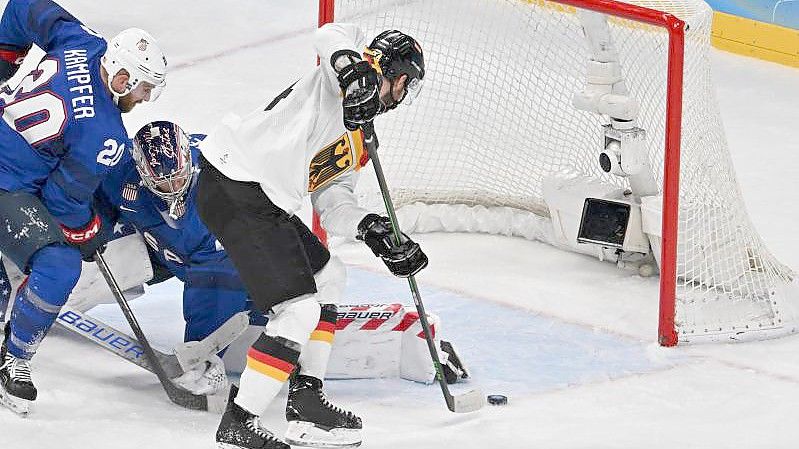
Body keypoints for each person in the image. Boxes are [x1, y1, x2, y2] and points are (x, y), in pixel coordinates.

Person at [197, 23, 426, 449]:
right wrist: (350, 67)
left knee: (330, 276)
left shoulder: (360, 135)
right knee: (297, 312)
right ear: (394, 74)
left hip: (261, 197)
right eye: (406, 84)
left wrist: (372, 230)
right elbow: (331, 33)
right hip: (237, 180)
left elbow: (332, 202)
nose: (402, 94)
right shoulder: (343, 76)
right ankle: (240, 421)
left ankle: (306, 401)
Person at [0, 0, 166, 416]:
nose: (146, 99)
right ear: (123, 78)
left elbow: (24, 7)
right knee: (61, 266)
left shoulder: (86, 42)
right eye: (145, 88)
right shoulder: (103, 134)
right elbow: (61, 202)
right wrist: (89, 233)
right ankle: (14, 358)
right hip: (5, 183)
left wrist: (5, 56)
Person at [92, 121, 248, 395]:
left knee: (222, 270)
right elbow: (97, 199)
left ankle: (206, 361)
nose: (172, 187)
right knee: (91, 244)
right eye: (161, 182)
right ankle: (45, 295)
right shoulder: (119, 170)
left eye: (177, 177)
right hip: (162, 249)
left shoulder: (223, 167)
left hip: (221, 260)